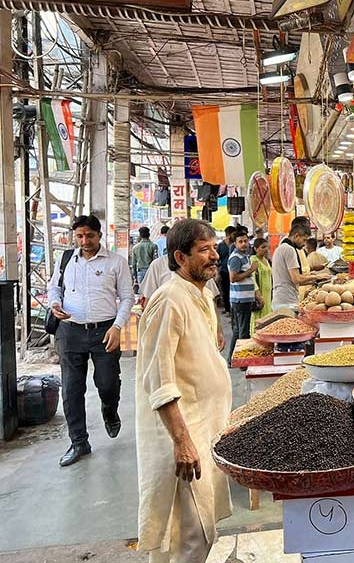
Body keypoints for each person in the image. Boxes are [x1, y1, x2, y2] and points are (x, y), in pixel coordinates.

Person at [135, 219, 232, 563]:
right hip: (186, 433)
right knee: (190, 540)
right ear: (180, 256)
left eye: (214, 247)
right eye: (204, 250)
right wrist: (182, 441)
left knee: (200, 531)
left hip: (205, 430)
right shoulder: (168, 300)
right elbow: (158, 380)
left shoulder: (200, 294)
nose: (214, 255)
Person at [47, 214, 134, 467]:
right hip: (70, 332)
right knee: (72, 389)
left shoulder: (116, 262)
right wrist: (55, 304)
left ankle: (110, 409)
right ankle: (78, 443)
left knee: (107, 383)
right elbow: (55, 288)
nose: (84, 241)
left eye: (90, 236)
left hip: (104, 331)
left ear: (99, 235)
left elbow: (127, 297)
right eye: (80, 236)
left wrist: (118, 327)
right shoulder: (66, 260)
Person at [139, 254, 224, 351]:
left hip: (199, 334)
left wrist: (218, 329)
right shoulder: (158, 265)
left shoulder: (200, 264)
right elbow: (149, 304)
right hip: (168, 335)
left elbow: (211, 301)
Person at [271, 220, 325, 312]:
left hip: (279, 300)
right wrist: (317, 276)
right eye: (304, 240)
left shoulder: (281, 248)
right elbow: (296, 279)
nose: (304, 244)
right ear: (296, 236)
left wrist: (315, 281)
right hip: (287, 302)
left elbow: (292, 280)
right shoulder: (289, 250)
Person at [227, 228, 261, 362]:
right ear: (235, 244)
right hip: (240, 300)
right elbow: (233, 278)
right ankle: (242, 361)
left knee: (238, 329)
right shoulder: (236, 258)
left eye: (245, 241)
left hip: (244, 299)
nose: (244, 244)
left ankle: (232, 359)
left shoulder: (244, 256)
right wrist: (251, 270)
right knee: (243, 331)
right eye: (240, 242)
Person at [249, 238, 273, 334]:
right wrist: (257, 293)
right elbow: (252, 278)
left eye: (267, 247)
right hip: (260, 293)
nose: (266, 249)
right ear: (255, 248)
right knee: (258, 316)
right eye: (263, 247)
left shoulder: (266, 260)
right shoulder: (253, 260)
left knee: (267, 315)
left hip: (268, 294)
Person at [216, 226, 236, 314]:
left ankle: (233, 309)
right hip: (224, 272)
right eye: (233, 234)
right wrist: (217, 273)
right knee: (225, 291)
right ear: (229, 234)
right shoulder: (221, 246)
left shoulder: (235, 245)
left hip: (234, 272)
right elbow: (216, 260)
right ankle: (228, 309)